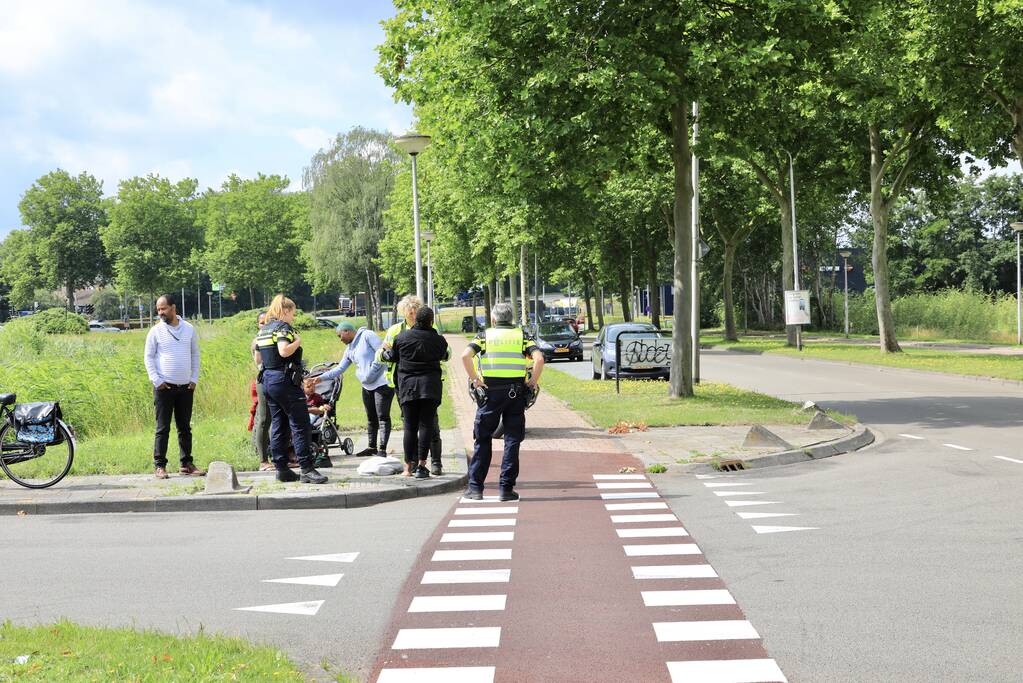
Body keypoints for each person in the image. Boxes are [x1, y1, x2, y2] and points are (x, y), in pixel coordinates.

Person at [461, 302, 544, 501]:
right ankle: (506, 489)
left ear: (493, 318)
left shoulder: (484, 336)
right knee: (512, 441)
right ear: (511, 318)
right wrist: (532, 382)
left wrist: (476, 380)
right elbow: (539, 359)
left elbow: (465, 355)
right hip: (515, 394)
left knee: (482, 439)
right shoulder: (522, 335)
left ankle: (476, 488)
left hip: (489, 394)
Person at [255, 295, 328, 484]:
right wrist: (298, 341)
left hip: (267, 381)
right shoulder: (282, 328)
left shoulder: (263, 330)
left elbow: (257, 359)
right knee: (300, 424)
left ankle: (281, 468)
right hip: (285, 380)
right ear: (285, 311)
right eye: (293, 314)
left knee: (278, 424)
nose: (293, 318)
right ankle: (306, 468)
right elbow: (284, 351)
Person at [378, 295, 447, 474]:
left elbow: (391, 355)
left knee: (416, 426)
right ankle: (420, 466)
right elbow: (445, 354)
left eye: (415, 312)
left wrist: (388, 352)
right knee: (423, 425)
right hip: (424, 386)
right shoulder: (398, 331)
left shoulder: (401, 337)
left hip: (408, 384)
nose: (412, 314)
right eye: (409, 312)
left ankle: (417, 465)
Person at [144, 293, 204, 480]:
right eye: (158, 309)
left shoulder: (188, 329)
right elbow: (148, 357)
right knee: (163, 428)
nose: (160, 312)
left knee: (184, 427)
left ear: (173, 308)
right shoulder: (155, 331)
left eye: (163, 308)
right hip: (164, 388)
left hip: (185, 387)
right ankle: (160, 465)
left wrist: (193, 379)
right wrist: (157, 380)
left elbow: (195, 355)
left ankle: (186, 463)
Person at [319, 320, 393, 457]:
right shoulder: (350, 349)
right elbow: (340, 369)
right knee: (371, 418)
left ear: (347, 331)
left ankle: (382, 449)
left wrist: (370, 374)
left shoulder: (367, 335)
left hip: (382, 383)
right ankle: (372, 447)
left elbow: (382, 354)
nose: (340, 339)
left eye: (339, 335)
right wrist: (320, 378)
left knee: (382, 417)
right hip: (367, 386)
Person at [249, 311, 274, 471]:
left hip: (277, 379)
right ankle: (263, 460)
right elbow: (259, 361)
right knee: (264, 420)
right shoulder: (257, 340)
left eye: (267, 322)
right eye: (261, 322)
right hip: (264, 379)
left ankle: (283, 455)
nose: (264, 325)